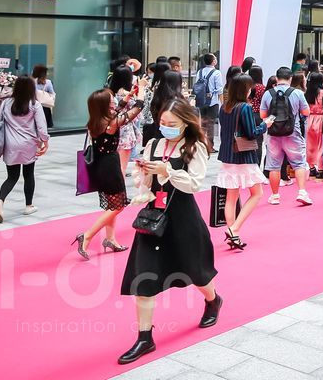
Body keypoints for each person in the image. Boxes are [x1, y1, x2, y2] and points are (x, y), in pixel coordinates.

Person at [117, 100, 220, 365]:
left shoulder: (195, 147)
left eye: (171, 124)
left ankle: (213, 300)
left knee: (197, 272)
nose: (165, 128)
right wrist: (143, 172)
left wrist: (168, 171)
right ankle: (144, 337)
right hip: (153, 218)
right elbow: (144, 184)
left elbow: (194, 184)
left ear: (186, 123)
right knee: (143, 278)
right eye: (162, 123)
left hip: (183, 218)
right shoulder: (153, 145)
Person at [73, 88, 145, 259]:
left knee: (113, 204)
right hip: (110, 167)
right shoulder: (112, 122)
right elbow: (138, 108)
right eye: (111, 99)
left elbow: (118, 110)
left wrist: (127, 98)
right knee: (118, 206)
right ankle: (87, 236)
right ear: (104, 104)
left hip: (99, 166)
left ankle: (110, 239)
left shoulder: (96, 120)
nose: (114, 101)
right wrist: (141, 89)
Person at [217, 74, 273, 249]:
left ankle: (233, 234)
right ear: (245, 89)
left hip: (227, 156)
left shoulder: (224, 107)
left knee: (231, 197)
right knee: (257, 193)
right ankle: (234, 229)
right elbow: (251, 133)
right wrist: (265, 125)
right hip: (243, 156)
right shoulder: (245, 107)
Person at [0, 75, 50, 221]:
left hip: (10, 144)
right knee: (28, 174)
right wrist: (45, 141)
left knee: (12, 177)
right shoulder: (34, 104)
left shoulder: (6, 103)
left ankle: (0, 200)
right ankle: (29, 205)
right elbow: (41, 127)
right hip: (29, 144)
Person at [261, 68, 310, 206]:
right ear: (290, 78)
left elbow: (262, 115)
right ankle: (302, 192)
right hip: (293, 132)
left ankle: (275, 196)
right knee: (299, 163)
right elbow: (306, 112)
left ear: (277, 79)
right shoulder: (297, 93)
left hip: (273, 134)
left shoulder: (268, 94)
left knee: (274, 166)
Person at [195, 54, 223, 148]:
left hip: (200, 101)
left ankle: (201, 144)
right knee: (210, 124)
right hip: (213, 102)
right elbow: (219, 90)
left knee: (202, 122)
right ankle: (210, 146)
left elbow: (197, 86)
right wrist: (222, 103)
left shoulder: (199, 72)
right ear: (213, 61)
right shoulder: (217, 73)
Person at [304, 71, 323, 179]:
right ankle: (321, 170)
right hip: (321, 119)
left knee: (310, 145)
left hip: (309, 119)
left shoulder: (307, 93)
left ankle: (311, 168)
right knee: (321, 146)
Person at [31, 64, 55, 129]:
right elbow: (52, 93)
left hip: (33, 105)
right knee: (45, 126)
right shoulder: (48, 82)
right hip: (45, 107)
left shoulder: (31, 81)